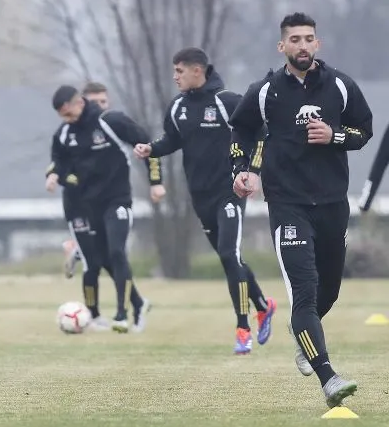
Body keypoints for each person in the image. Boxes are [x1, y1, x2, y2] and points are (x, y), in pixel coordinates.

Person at [229, 12, 372, 408]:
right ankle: (329, 378)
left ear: (318, 44)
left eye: (309, 38)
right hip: (288, 204)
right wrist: (241, 170)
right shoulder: (265, 91)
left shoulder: (341, 85)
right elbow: (240, 128)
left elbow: (365, 130)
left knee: (330, 291)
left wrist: (334, 135)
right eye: (295, 39)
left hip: (331, 203)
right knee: (305, 294)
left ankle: (304, 337)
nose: (303, 45)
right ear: (283, 47)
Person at [133, 48, 276, 354]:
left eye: (179, 71)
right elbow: (172, 140)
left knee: (228, 254)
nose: (175, 77)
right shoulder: (177, 107)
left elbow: (261, 132)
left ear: (198, 71)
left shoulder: (227, 101)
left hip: (230, 191)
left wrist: (253, 171)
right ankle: (263, 305)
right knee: (231, 259)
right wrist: (152, 150)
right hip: (200, 197)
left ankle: (242, 328)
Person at [47, 85, 157, 333]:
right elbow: (57, 164)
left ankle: (121, 314)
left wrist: (156, 182)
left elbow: (149, 144)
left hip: (117, 200)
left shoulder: (111, 122)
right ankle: (121, 308)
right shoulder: (65, 133)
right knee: (96, 261)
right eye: (62, 116)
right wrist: (56, 176)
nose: (67, 120)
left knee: (117, 252)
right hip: (83, 207)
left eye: (68, 113)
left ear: (78, 103)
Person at [60, 82, 111, 278]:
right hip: (81, 201)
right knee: (100, 257)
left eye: (103, 101)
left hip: (108, 197)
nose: (99, 106)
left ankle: (77, 251)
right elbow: (58, 164)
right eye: (94, 102)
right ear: (81, 104)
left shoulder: (112, 125)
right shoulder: (70, 131)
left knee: (109, 250)